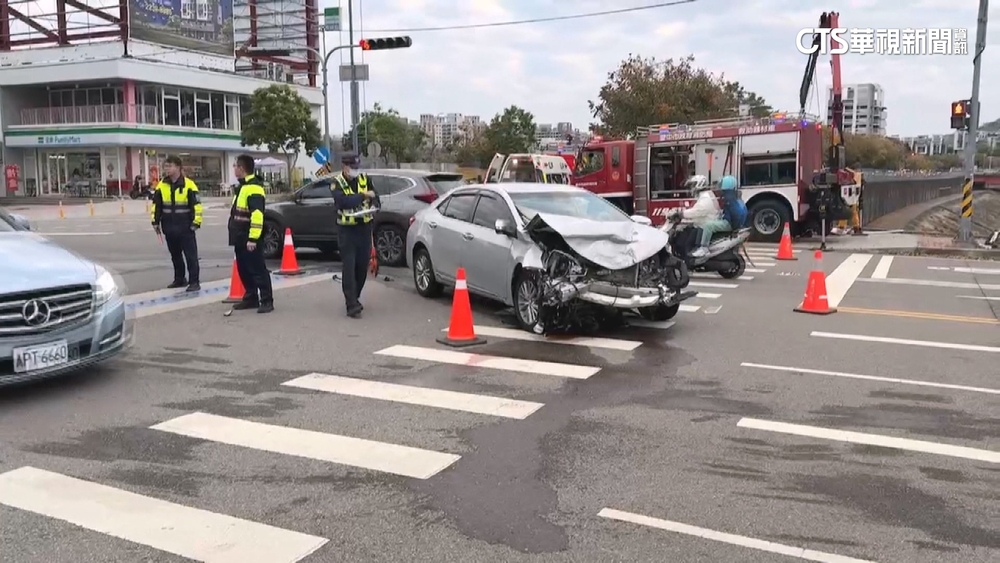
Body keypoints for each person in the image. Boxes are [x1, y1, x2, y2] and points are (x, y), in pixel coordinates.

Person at [330, 152, 377, 318]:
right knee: (349, 267)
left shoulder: (364, 179)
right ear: (345, 167)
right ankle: (351, 304)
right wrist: (363, 196)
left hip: (364, 228)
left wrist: (374, 203)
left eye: (357, 167)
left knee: (362, 267)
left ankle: (355, 297)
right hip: (347, 230)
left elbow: (375, 197)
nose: (356, 171)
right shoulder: (337, 182)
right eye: (353, 167)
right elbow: (343, 202)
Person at [228, 154, 274, 313]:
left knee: (257, 269)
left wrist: (253, 238)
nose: (234, 169)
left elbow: (257, 215)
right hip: (240, 236)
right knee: (244, 269)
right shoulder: (242, 187)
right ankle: (251, 297)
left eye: (235, 166)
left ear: (241, 168)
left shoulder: (253, 187)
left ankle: (266, 300)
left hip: (249, 237)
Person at [151, 155, 202, 291]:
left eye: (170, 166)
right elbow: (156, 205)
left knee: (191, 256)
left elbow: (196, 206)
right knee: (175, 256)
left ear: (178, 167)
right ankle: (179, 279)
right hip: (169, 226)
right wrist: (155, 221)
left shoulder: (189, 185)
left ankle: (194, 282)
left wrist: (196, 223)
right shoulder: (162, 185)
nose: (167, 169)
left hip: (185, 227)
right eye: (166, 166)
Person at [672, 174, 730, 257]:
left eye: (692, 185)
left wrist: (681, 214)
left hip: (703, 225)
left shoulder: (705, 198)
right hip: (704, 221)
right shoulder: (704, 195)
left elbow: (697, 212)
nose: (691, 188)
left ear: (698, 185)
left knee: (687, 242)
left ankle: (691, 258)